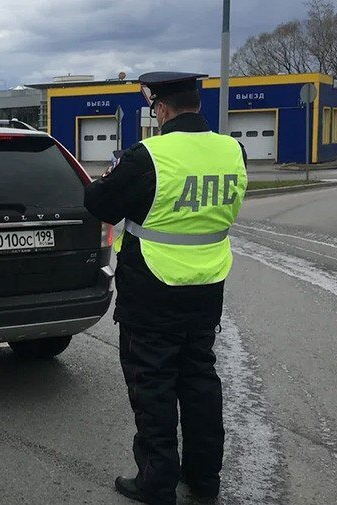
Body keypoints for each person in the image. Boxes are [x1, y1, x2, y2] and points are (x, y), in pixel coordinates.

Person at [83, 72, 248, 505]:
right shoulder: (233, 150)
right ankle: (204, 479)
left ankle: (157, 482)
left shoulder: (148, 156)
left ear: (161, 109)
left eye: (153, 108)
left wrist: (108, 178)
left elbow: (99, 204)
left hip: (152, 288)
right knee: (199, 380)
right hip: (208, 285)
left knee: (152, 384)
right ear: (196, 103)